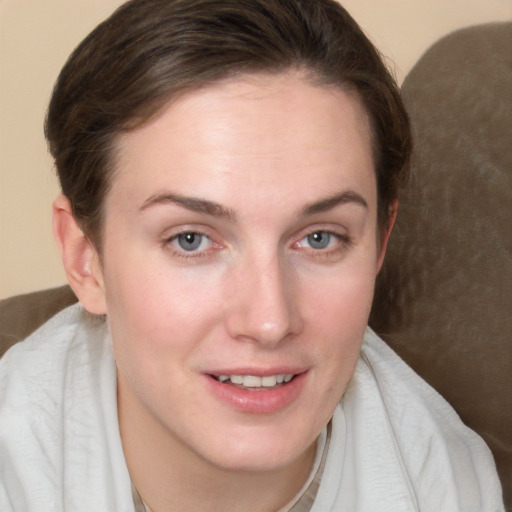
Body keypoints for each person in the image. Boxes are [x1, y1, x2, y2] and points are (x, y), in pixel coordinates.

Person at [0, 0, 504, 511]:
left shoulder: (449, 489)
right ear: (86, 259)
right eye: (191, 240)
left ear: (379, 243)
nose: (269, 321)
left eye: (320, 238)